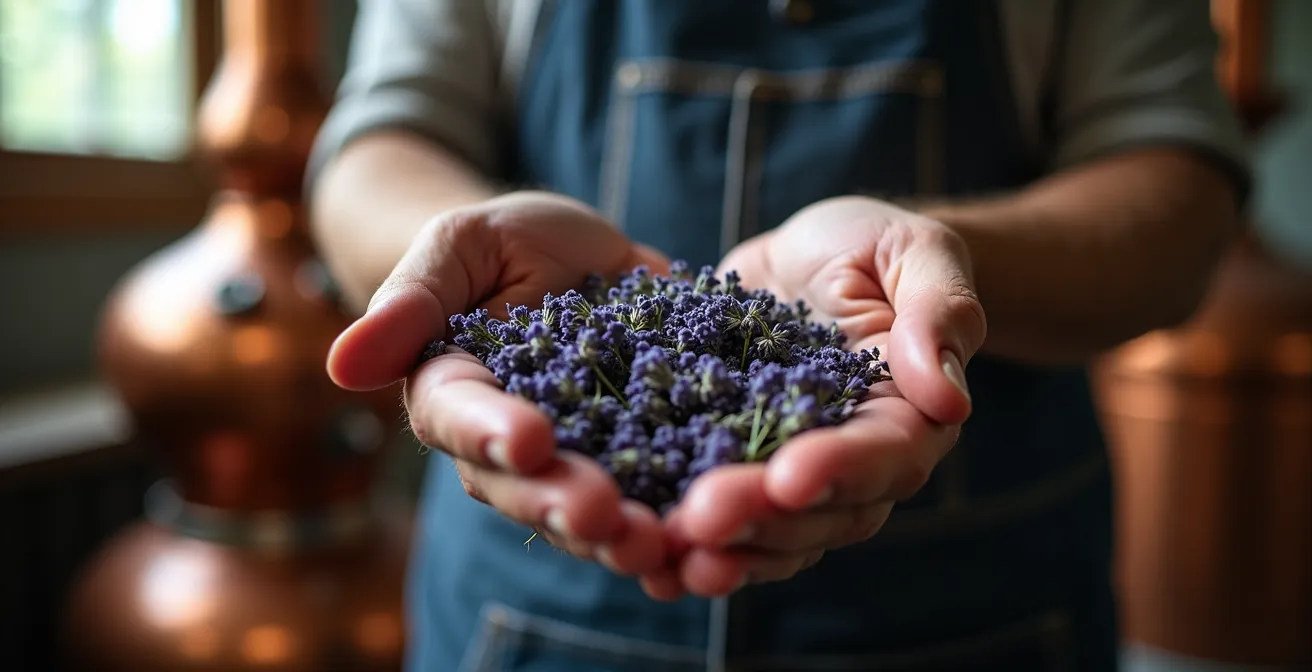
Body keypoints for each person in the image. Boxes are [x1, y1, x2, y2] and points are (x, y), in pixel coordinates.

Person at [307, 1, 1249, 669]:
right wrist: (462, 257)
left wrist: (940, 267)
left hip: (975, 605)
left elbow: (1181, 193)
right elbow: (378, 143)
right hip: (528, 598)